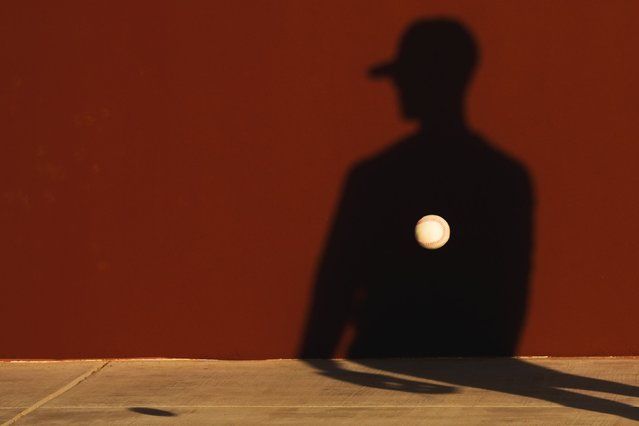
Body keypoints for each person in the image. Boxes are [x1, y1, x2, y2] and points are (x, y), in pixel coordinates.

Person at [300, 18, 534, 358]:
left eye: (407, 77)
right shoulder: (506, 180)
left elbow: (333, 297)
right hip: (469, 376)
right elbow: (510, 302)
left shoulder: (374, 179)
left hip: (382, 368)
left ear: (434, 79)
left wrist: (308, 381)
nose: (400, 88)